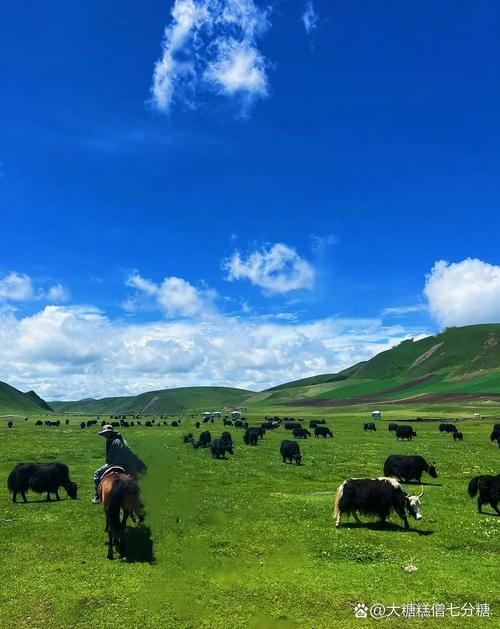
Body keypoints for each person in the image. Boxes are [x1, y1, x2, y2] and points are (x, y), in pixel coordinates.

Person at [92, 424, 147, 503]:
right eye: (104, 433)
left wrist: (111, 462)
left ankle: (98, 495)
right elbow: (129, 452)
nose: (105, 435)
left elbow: (110, 457)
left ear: (110, 433)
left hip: (116, 463)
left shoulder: (111, 441)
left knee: (97, 474)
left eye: (106, 433)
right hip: (127, 463)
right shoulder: (121, 440)